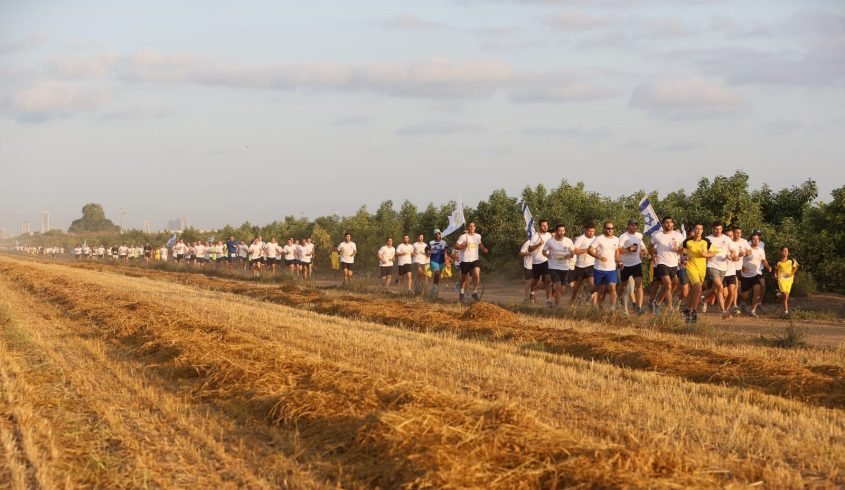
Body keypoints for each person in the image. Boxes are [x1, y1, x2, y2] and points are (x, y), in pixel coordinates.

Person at [648, 216, 684, 314]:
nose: (669, 224)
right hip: (661, 263)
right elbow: (649, 246)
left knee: (674, 283)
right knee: (668, 284)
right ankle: (658, 303)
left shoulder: (678, 235)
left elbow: (683, 250)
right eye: (667, 222)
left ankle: (665, 301)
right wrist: (653, 255)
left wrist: (678, 249)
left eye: (671, 222)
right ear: (663, 224)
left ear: (673, 224)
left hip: (673, 264)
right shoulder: (658, 236)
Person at [682, 224, 716, 323]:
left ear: (702, 230)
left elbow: (713, 252)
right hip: (691, 267)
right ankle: (693, 312)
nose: (698, 230)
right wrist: (683, 260)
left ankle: (688, 310)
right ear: (694, 230)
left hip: (702, 269)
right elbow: (682, 251)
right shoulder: (687, 241)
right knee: (698, 288)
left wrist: (706, 254)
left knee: (695, 291)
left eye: (700, 229)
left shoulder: (706, 241)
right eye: (696, 229)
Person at [588, 221, 621, 309]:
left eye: (611, 228)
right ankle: (599, 305)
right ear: (604, 229)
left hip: (611, 269)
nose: (610, 230)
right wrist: (599, 257)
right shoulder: (599, 238)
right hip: (599, 268)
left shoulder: (616, 239)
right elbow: (589, 250)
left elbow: (617, 252)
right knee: (600, 290)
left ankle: (612, 308)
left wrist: (619, 261)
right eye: (608, 228)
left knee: (612, 287)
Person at [454, 222, 489, 303]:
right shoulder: (463, 236)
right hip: (465, 260)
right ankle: (461, 293)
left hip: (475, 259)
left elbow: (479, 244)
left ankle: (474, 292)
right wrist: (463, 246)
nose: (472, 227)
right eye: (470, 226)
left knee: (476, 275)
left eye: (473, 226)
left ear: (475, 227)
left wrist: (483, 248)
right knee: (464, 278)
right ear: (467, 227)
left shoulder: (478, 236)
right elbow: (456, 246)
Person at [702, 222, 731, 317]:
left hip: (723, 267)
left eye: (719, 229)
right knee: (720, 287)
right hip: (712, 265)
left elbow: (732, 251)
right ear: (712, 229)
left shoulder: (727, 239)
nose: (718, 231)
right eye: (716, 229)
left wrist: (731, 256)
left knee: (715, 289)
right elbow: (703, 252)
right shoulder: (707, 239)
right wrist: (707, 256)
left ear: (722, 229)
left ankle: (704, 299)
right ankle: (723, 311)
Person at [542, 224, 574, 308]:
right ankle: (557, 305)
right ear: (556, 231)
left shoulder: (568, 241)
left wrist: (570, 255)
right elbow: (543, 251)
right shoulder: (550, 241)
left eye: (563, 231)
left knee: (562, 289)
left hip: (565, 267)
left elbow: (573, 252)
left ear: (565, 231)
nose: (561, 232)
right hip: (553, 267)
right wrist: (547, 255)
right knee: (558, 286)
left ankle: (555, 296)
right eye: (559, 231)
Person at [740, 232, 772, 317]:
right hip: (745, 275)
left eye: (757, 239)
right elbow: (739, 259)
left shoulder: (761, 250)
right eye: (754, 239)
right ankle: (743, 303)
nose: (756, 241)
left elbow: (763, 260)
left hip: (756, 274)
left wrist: (768, 266)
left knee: (757, 291)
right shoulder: (747, 249)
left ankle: (753, 310)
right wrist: (742, 267)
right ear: (751, 240)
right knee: (745, 296)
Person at [619, 218, 646, 315]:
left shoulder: (639, 236)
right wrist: (630, 249)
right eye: (632, 225)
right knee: (623, 286)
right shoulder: (623, 236)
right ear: (628, 226)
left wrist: (643, 253)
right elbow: (619, 250)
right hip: (625, 264)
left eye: (635, 225)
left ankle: (639, 307)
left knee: (639, 285)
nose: (634, 227)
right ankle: (618, 299)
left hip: (636, 263)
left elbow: (644, 249)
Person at [570, 223, 597, 306]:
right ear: (585, 230)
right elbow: (574, 251)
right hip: (580, 267)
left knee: (593, 287)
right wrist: (587, 250)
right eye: (589, 231)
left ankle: (594, 307)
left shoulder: (596, 239)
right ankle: (571, 304)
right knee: (575, 289)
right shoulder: (580, 239)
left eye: (592, 231)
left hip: (591, 266)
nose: (591, 233)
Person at [527, 220, 553, 306]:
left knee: (548, 280)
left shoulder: (549, 235)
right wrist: (538, 244)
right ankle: (532, 292)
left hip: (546, 260)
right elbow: (530, 249)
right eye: (543, 226)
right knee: (535, 281)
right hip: (537, 261)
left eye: (546, 225)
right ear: (539, 227)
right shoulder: (535, 236)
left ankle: (548, 300)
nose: (545, 227)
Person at [776, 246, 799, 317]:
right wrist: (775, 275)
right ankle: (786, 312)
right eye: (784, 251)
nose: (785, 252)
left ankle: (778, 295)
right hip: (781, 279)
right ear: (780, 252)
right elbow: (776, 270)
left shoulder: (791, 260)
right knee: (785, 295)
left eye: (787, 251)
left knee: (786, 297)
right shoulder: (778, 261)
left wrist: (791, 273)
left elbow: (796, 267)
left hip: (789, 280)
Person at [427, 229, 449, 296]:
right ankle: (435, 288)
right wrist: (427, 253)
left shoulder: (444, 242)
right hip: (433, 260)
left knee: (438, 275)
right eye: (436, 234)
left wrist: (447, 259)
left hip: (441, 261)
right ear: (434, 235)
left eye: (439, 234)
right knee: (437, 272)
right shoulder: (431, 242)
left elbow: (447, 251)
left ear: (440, 234)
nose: (437, 235)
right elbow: (426, 249)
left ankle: (435, 287)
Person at [518, 237, 533, 302]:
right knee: (528, 282)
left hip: (538, 264)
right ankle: (526, 298)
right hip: (529, 265)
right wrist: (528, 253)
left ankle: (532, 296)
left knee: (536, 282)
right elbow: (520, 253)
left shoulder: (542, 242)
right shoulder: (528, 242)